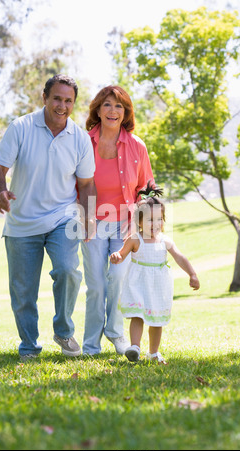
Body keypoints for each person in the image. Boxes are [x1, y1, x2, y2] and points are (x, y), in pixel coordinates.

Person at [0, 74, 96, 361]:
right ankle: (29, 346)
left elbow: (86, 184)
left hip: (63, 217)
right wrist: (1, 192)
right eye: (57, 99)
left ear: (74, 103)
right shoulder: (21, 127)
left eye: (68, 100)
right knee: (23, 292)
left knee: (68, 271)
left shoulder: (80, 138)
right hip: (21, 222)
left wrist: (88, 215)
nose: (62, 105)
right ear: (45, 98)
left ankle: (63, 329)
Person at [81, 85, 155, 356]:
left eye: (119, 106)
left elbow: (147, 189)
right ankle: (91, 343)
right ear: (98, 110)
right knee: (97, 284)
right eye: (107, 105)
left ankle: (115, 333)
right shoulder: (82, 142)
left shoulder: (137, 146)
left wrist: (147, 222)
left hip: (125, 223)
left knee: (119, 277)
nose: (113, 111)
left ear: (126, 113)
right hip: (90, 221)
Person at [110, 181, 200, 363]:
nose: (155, 223)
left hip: (158, 285)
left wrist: (192, 274)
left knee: (157, 320)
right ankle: (134, 347)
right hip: (138, 284)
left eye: (159, 219)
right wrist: (116, 257)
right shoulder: (135, 239)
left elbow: (179, 257)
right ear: (140, 222)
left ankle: (153, 352)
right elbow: (122, 253)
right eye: (150, 220)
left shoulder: (165, 241)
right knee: (137, 315)